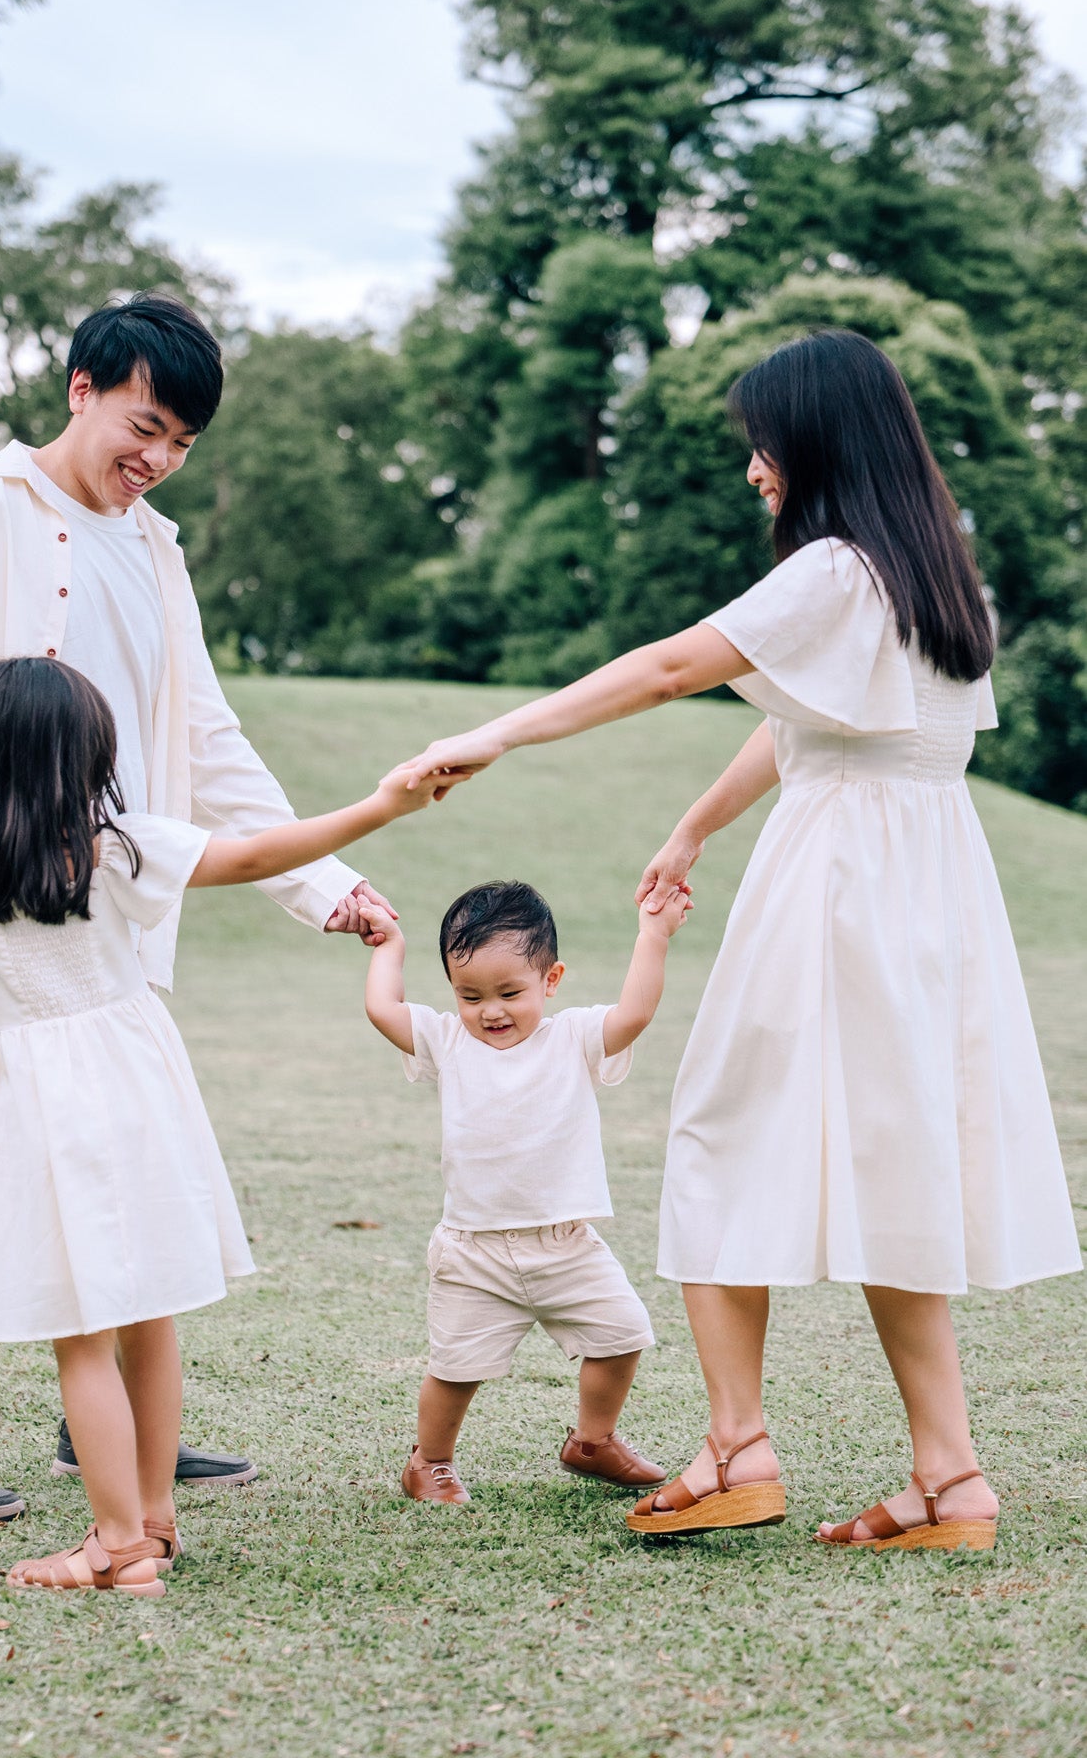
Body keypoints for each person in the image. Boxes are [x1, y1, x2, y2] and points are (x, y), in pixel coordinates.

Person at [403, 329, 1081, 1552]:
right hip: (930, 887)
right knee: (897, 1165)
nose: (754, 468)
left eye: (762, 443)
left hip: (835, 883)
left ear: (811, 441)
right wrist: (698, 821)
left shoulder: (830, 567)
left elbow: (674, 666)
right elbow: (818, 718)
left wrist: (499, 732)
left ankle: (734, 1446)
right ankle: (951, 1477)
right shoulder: (932, 568)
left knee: (715, 1131)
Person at [0, 292, 397, 1522]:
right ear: (82, 387)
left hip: (118, 915)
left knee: (110, 1167)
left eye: (181, 441)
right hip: (4, 904)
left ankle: (109, 1438)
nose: (159, 458)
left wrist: (322, 884)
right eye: (145, 423)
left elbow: (209, 738)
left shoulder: (157, 550)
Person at [0, 657, 440, 1594]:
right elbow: (258, 854)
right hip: (142, 1088)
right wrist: (380, 807)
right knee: (148, 1320)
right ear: (89, 758)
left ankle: (115, 1548)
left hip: (43, 1105)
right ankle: (150, 1524)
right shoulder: (116, 849)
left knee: (83, 1337)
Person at [361, 877, 690, 1505]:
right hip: (474, 1251)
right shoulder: (448, 1040)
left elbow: (636, 1012)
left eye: (510, 992)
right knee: (456, 1369)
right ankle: (429, 1462)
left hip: (567, 1244)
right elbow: (384, 1010)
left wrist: (654, 935)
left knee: (623, 1335)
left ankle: (592, 1442)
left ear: (552, 979)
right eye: (470, 995)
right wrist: (388, 947)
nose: (492, 1010)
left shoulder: (573, 1038)